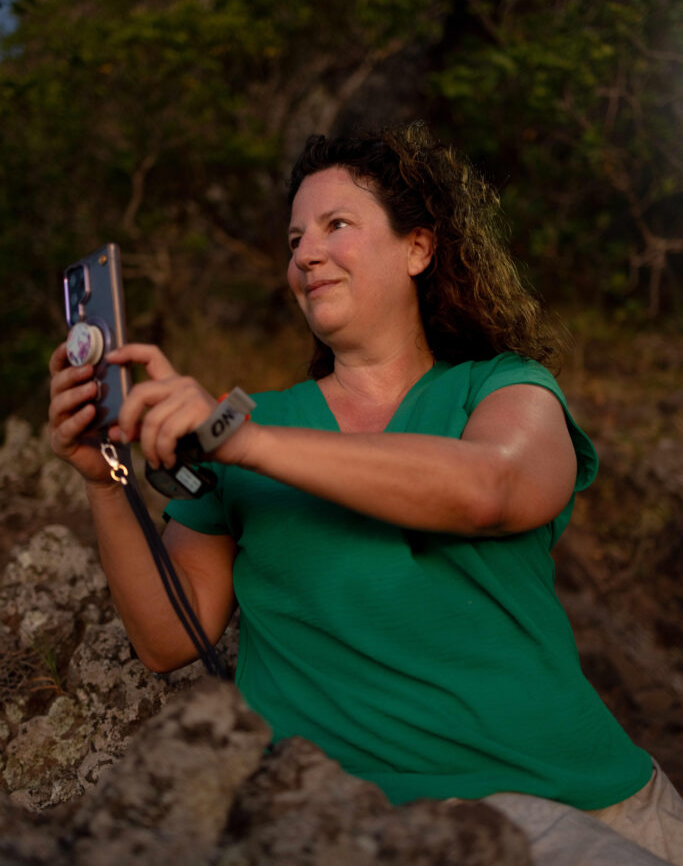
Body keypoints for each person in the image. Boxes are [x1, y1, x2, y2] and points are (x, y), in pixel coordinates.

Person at [49, 123, 683, 865]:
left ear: (418, 248)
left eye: (336, 225)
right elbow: (169, 636)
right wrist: (106, 476)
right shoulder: (254, 426)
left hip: (602, 798)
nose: (305, 254)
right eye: (294, 240)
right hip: (393, 824)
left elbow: (492, 487)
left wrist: (246, 442)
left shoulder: (501, 387)